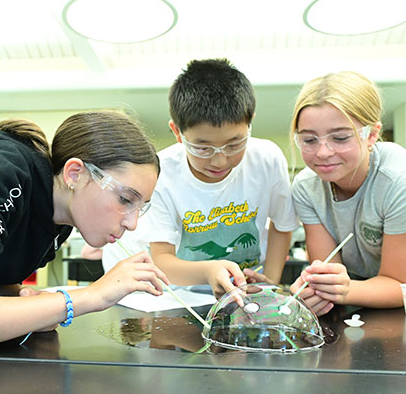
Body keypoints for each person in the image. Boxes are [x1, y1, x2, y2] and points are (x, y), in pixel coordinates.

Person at [102, 58, 298, 298]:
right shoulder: (161, 172)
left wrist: (270, 285)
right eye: (202, 149)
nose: (220, 161)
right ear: (177, 132)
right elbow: (163, 260)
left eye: (234, 144)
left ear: (250, 123)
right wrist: (209, 271)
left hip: (248, 290)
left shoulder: (267, 159)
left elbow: (282, 225)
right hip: (186, 295)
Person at [0, 110, 170, 344]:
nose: (132, 223)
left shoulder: (60, 222)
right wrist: (91, 295)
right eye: (125, 199)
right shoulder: (5, 174)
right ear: (75, 174)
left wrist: (39, 306)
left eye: (140, 207)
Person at [289, 71, 406, 316]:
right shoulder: (306, 187)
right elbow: (329, 271)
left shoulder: (401, 181)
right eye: (309, 140)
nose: (323, 152)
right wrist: (315, 289)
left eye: (340, 137)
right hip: (362, 301)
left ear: (372, 134)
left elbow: (401, 284)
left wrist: (339, 291)